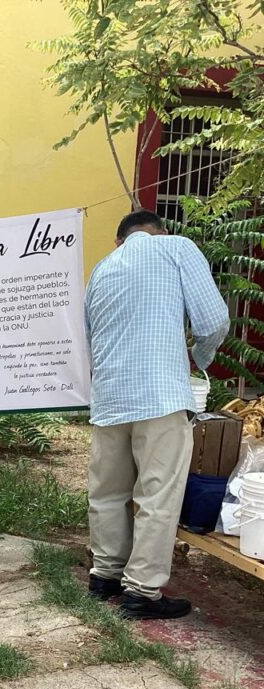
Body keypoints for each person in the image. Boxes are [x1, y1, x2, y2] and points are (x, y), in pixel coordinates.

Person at [84, 210, 230, 620]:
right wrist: (198, 357)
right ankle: (142, 592)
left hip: (109, 397)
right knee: (157, 494)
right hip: (161, 394)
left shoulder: (101, 269)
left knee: (107, 492)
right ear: (160, 232)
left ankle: (105, 576)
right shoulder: (176, 247)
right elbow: (214, 320)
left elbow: (89, 337)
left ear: (119, 241)